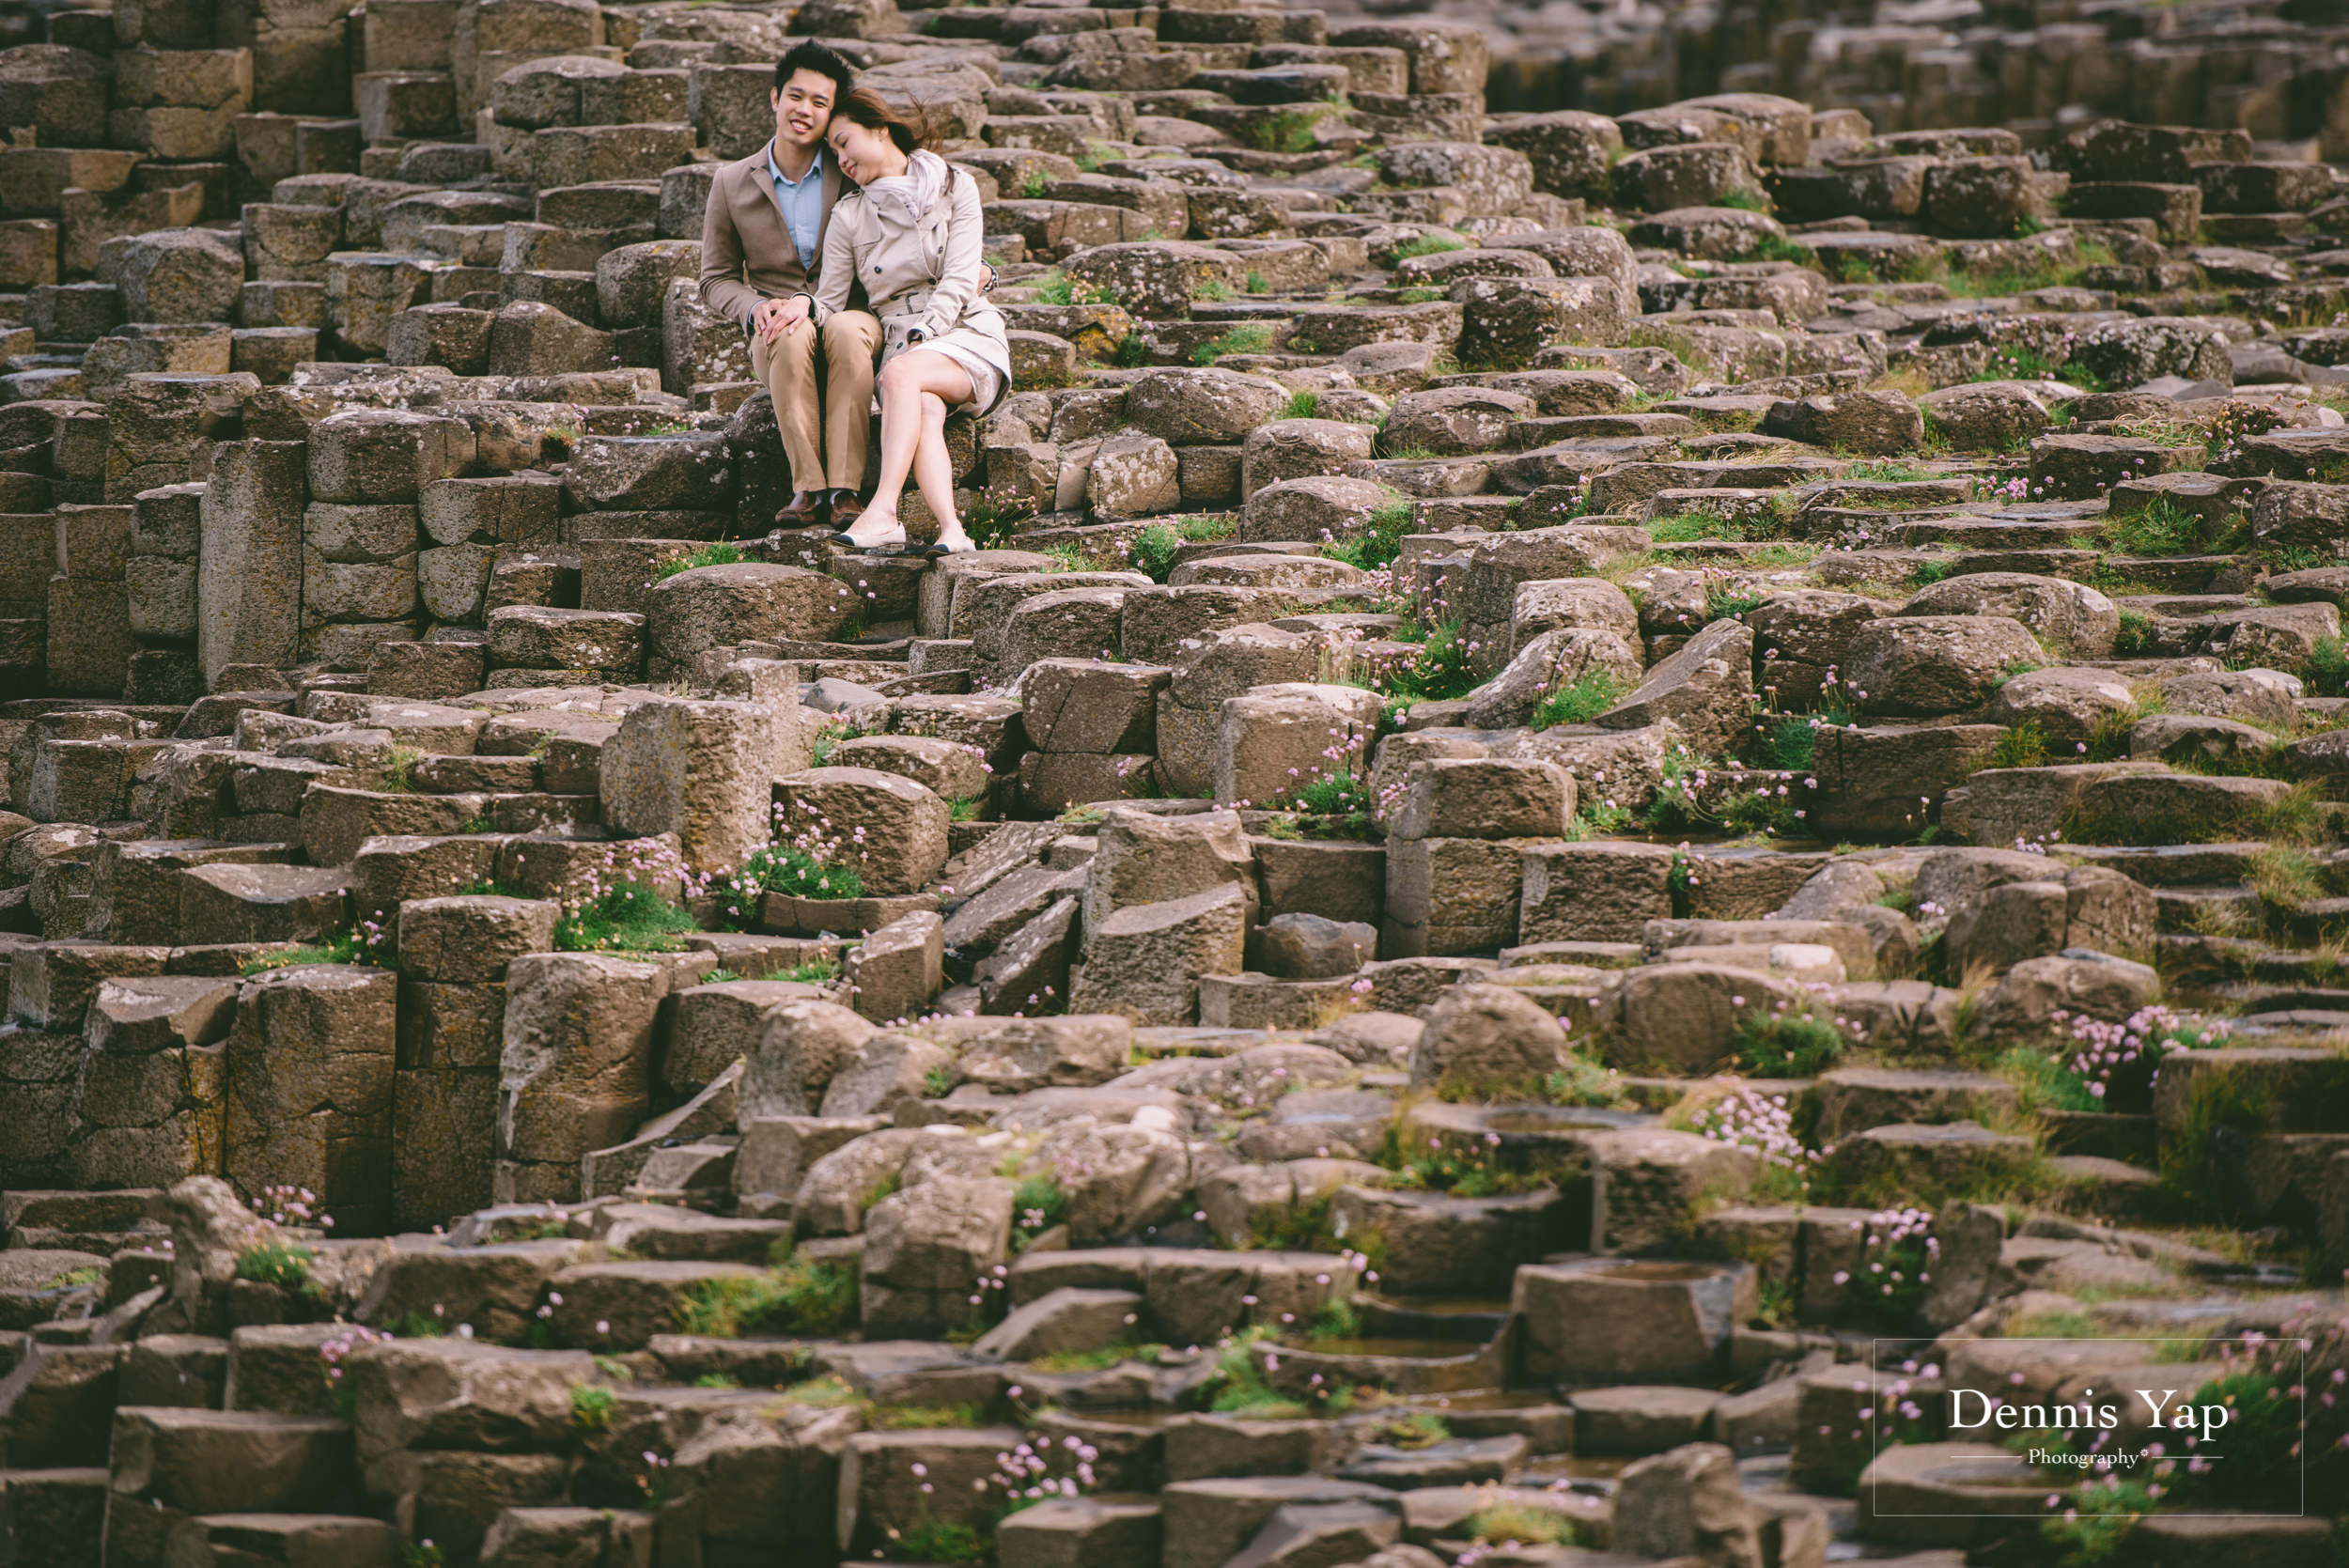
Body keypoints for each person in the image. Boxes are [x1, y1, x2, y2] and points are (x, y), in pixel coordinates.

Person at [764, 88, 1011, 556]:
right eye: (832, 152)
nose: (840, 159)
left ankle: (883, 512)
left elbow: (960, 277)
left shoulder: (955, 185)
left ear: (879, 129)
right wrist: (802, 303)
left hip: (963, 331)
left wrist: (924, 338)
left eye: (844, 142)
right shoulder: (849, 215)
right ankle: (953, 532)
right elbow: (831, 299)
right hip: (904, 341)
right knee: (926, 410)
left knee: (899, 373)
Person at [696, 39, 881, 529]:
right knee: (789, 330)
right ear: (775, 98)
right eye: (796, 96)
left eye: (820, 103)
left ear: (832, 115)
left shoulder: (852, 173)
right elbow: (714, 278)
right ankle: (808, 488)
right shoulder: (731, 182)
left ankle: (846, 491)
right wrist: (753, 308)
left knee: (842, 328)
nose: (805, 110)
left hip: (851, 318)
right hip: (778, 329)